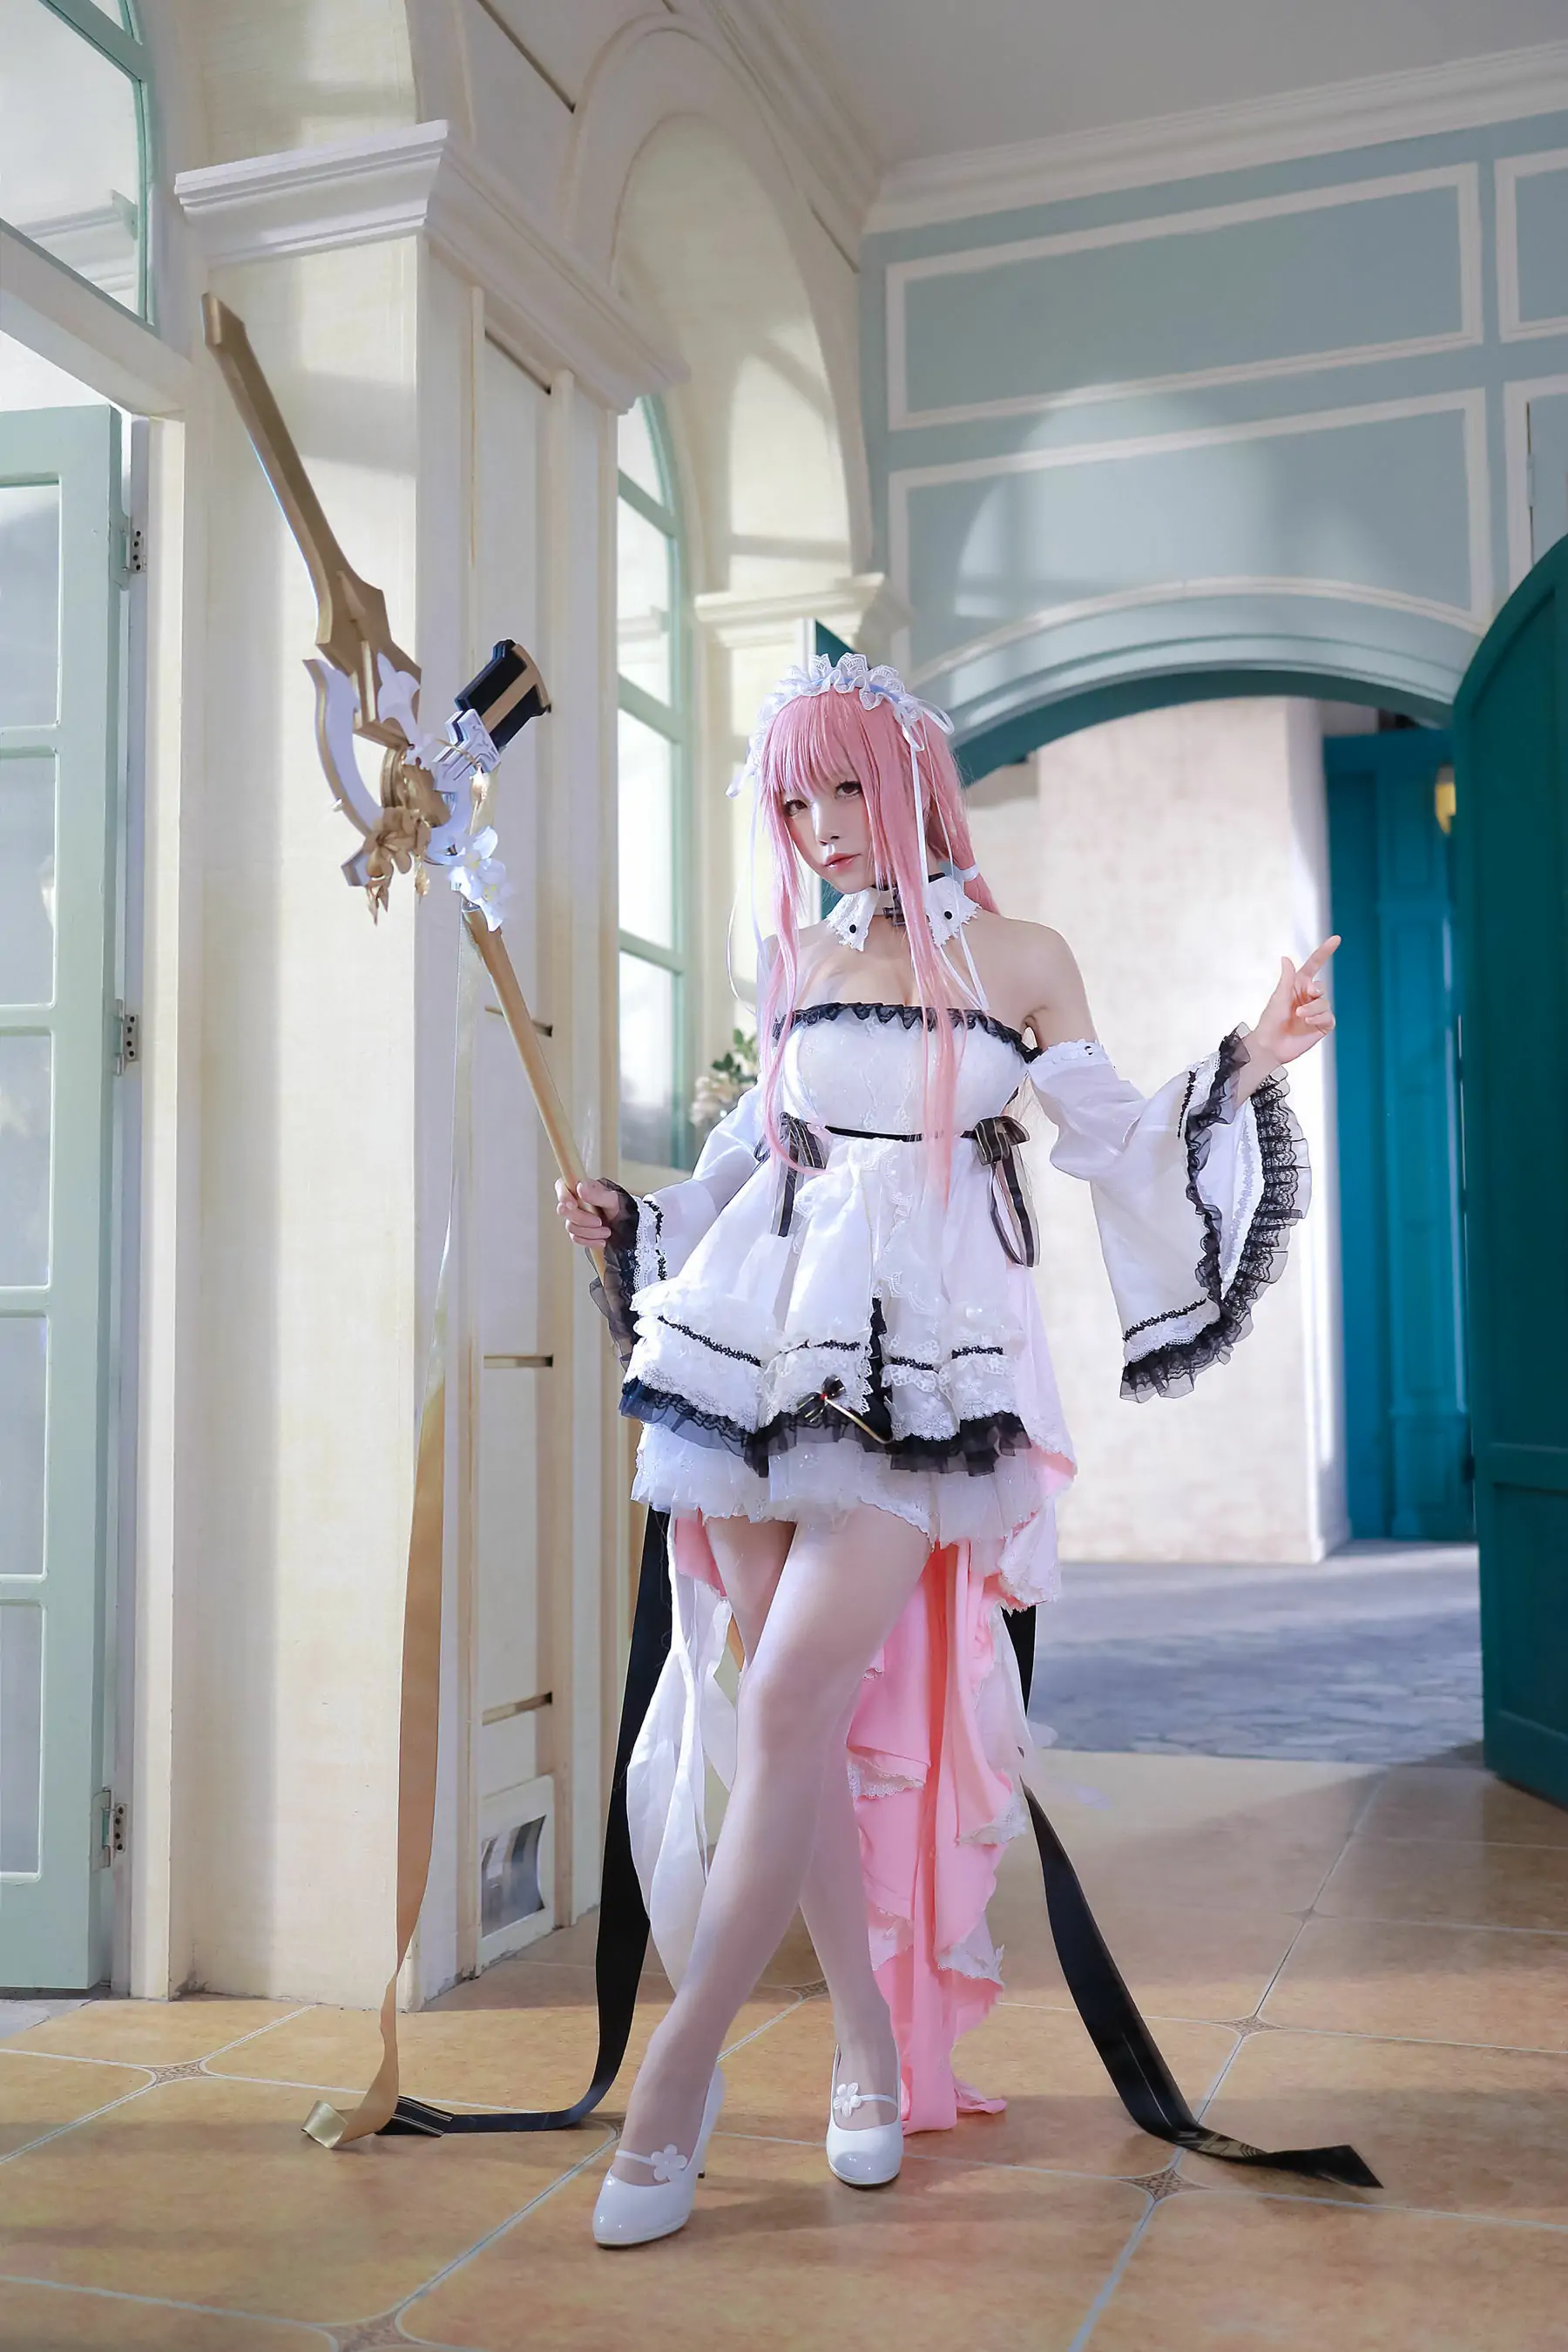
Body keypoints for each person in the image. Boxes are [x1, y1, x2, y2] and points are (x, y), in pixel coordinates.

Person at [557, 652, 1336, 2247]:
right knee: (795, 1723)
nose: (824, 825)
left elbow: (1113, 1139)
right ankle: (863, 2049)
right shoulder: (795, 961)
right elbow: (748, 1158)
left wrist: (1250, 1056)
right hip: (761, 1348)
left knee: (786, 1698)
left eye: (848, 786)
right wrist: (639, 1221)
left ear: (914, 780)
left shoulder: (1023, 960)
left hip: (933, 1373)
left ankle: (675, 2078)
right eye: (798, 801)